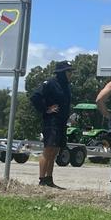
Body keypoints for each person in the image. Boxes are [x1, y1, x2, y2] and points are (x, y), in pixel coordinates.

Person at [29, 60, 73, 189]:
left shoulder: (67, 86)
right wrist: (46, 109)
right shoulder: (50, 83)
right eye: (68, 71)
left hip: (62, 122)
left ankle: (49, 179)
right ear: (61, 72)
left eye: (71, 71)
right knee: (48, 150)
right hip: (51, 122)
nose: (71, 74)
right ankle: (42, 180)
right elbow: (35, 96)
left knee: (55, 151)